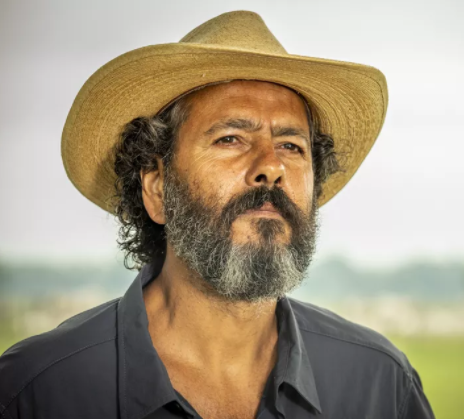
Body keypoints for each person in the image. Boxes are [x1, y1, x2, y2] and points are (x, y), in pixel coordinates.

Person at [0, 10, 434, 419]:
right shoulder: (35, 390)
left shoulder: (381, 384)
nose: (272, 166)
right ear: (156, 187)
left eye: (291, 146)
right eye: (230, 138)